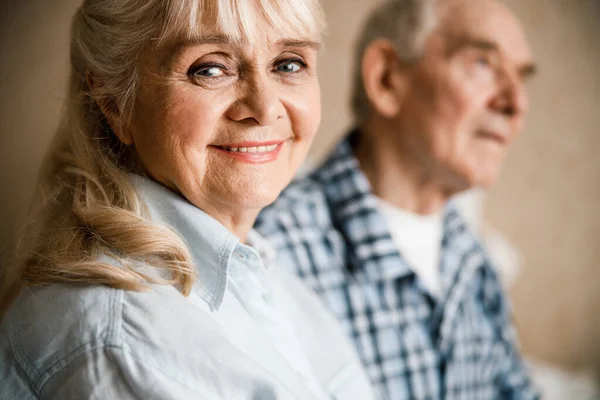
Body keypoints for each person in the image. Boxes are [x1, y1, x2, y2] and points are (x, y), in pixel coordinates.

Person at [0, 0, 376, 399]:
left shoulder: (267, 277)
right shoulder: (125, 343)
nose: (264, 109)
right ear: (114, 102)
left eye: (288, 64)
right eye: (210, 69)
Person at [256, 0, 540, 398]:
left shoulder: (477, 266)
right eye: (483, 63)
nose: (517, 104)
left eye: (522, 78)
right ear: (387, 78)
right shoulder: (268, 251)